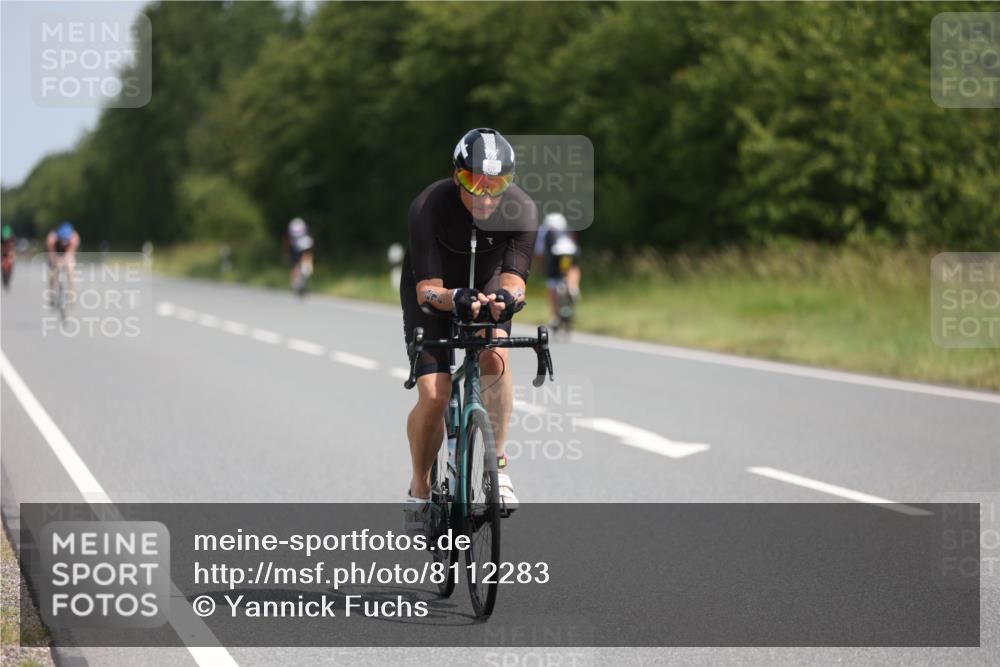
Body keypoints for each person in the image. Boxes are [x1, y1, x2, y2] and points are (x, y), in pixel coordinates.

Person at [401, 128, 537, 529]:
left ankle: (498, 466)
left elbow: (515, 278)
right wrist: (454, 297)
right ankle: (420, 488)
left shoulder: (523, 209)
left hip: (487, 283)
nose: (485, 194)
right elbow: (427, 290)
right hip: (434, 290)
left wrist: (508, 299)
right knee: (435, 395)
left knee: (495, 356)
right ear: (456, 175)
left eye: (497, 184)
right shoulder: (428, 205)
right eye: (473, 182)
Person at [534, 212, 581, 329]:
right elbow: (574, 242)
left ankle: (555, 315)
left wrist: (542, 267)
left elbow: (540, 252)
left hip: (555, 255)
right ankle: (573, 286)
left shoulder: (543, 231)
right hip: (569, 253)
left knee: (552, 283)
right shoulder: (567, 228)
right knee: (573, 268)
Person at [46, 221, 80, 298]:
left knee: (71, 269)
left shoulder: (74, 238)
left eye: (66, 240)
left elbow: (70, 254)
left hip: (67, 253)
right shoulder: (52, 238)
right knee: (52, 272)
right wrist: (56, 262)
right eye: (62, 239)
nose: (63, 242)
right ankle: (51, 293)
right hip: (56, 253)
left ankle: (72, 292)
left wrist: (64, 262)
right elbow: (52, 254)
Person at [284, 217, 314, 294]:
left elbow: (308, 252)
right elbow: (288, 245)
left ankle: (303, 281)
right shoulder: (290, 238)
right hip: (294, 251)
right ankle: (296, 283)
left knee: (305, 268)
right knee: (295, 266)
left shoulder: (307, 237)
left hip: (303, 249)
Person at [1, 225, 15, 291]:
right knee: (3, 266)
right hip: (3, 252)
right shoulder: (2, 238)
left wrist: (12, 257)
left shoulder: (11, 238)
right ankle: (4, 279)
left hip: (9, 252)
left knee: (10, 265)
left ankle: (7, 278)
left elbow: (12, 248)